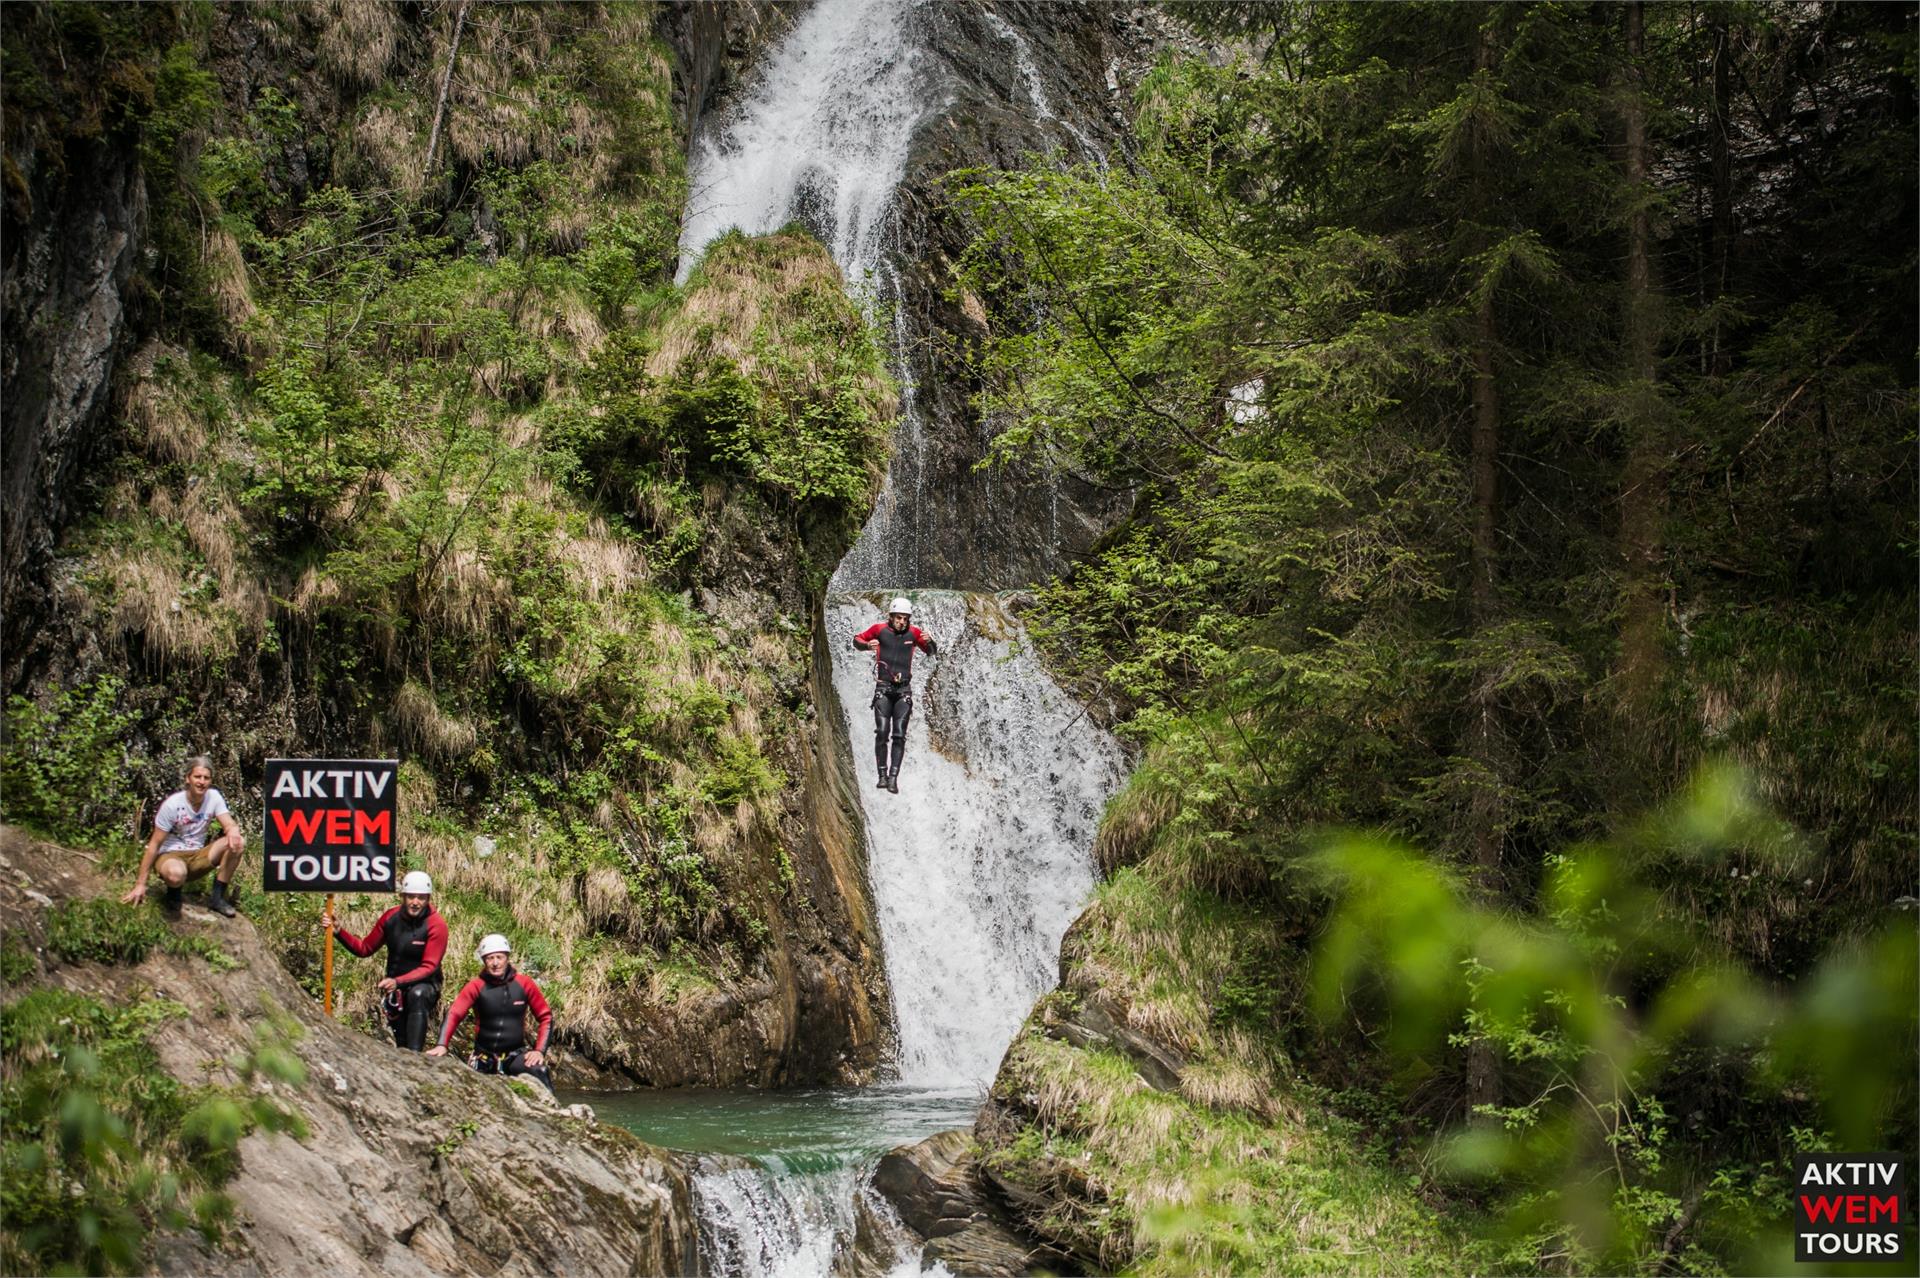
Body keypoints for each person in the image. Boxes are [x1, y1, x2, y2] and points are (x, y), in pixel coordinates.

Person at [323, 871, 447, 1051]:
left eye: (421, 898)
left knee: (417, 995)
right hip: (396, 989)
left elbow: (430, 966)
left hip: (425, 986)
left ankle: (415, 1057)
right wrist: (339, 932)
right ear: (402, 896)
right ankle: (405, 1057)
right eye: (411, 896)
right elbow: (364, 949)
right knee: (401, 1042)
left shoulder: (436, 924)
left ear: (428, 899)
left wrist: (398, 981)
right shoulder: (391, 918)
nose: (415, 902)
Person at [121, 755, 246, 918]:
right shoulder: (173, 805)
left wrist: (233, 831)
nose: (201, 782)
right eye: (197, 777)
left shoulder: (213, 797)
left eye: (206, 778)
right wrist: (140, 884)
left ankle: (217, 898)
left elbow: (228, 823)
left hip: (197, 855)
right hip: (170, 856)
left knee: (238, 843)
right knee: (176, 873)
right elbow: (154, 844)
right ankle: (173, 894)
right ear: (188, 778)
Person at [428, 934, 554, 1092]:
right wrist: (442, 1044)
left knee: (540, 1071)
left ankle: (559, 1114)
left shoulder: (524, 984)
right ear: (484, 961)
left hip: (514, 1056)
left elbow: (546, 1017)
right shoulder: (476, 986)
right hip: (484, 1057)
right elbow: (454, 1014)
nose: (495, 963)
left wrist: (539, 1051)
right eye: (490, 958)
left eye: (499, 957)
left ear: (507, 958)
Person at [852, 596, 937, 793]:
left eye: (906, 619)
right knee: (882, 731)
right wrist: (866, 646)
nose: (902, 622)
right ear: (891, 617)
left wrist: (930, 641)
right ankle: (881, 775)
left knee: (899, 734)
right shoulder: (879, 630)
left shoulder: (914, 633)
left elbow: (931, 652)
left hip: (903, 691)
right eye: (899, 618)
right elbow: (857, 640)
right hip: (883, 688)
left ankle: (893, 778)